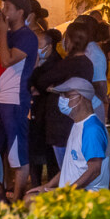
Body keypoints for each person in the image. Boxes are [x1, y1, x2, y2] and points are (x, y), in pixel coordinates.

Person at [26, 77, 110, 200]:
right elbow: (69, 166)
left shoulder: (92, 129)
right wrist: (48, 186)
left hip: (86, 198)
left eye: (66, 96)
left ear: (80, 97)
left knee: (30, 201)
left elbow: (94, 170)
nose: (62, 100)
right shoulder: (78, 124)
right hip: (73, 193)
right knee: (30, 197)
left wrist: (67, 191)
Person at [0, 0, 38, 201]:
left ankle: (17, 197)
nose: (3, 11)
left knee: (17, 152)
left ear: (20, 12)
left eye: (8, 7)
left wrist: (1, 32)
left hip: (15, 100)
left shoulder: (27, 37)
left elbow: (8, 60)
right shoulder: (7, 35)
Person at [33, 22, 94, 167]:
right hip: (76, 117)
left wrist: (36, 67)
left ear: (70, 40)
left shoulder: (68, 63)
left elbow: (41, 81)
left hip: (62, 122)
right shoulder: (87, 63)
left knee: (66, 168)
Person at [28, 28, 63, 187]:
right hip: (36, 113)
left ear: (50, 46)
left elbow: (41, 84)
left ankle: (50, 188)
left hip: (49, 115)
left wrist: (36, 82)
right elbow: (29, 85)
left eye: (39, 45)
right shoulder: (34, 60)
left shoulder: (57, 62)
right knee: (34, 154)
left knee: (50, 156)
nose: (36, 48)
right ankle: (35, 187)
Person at [74, 14, 108, 124]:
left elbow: (100, 83)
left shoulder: (94, 53)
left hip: (92, 106)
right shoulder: (81, 49)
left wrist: (102, 98)